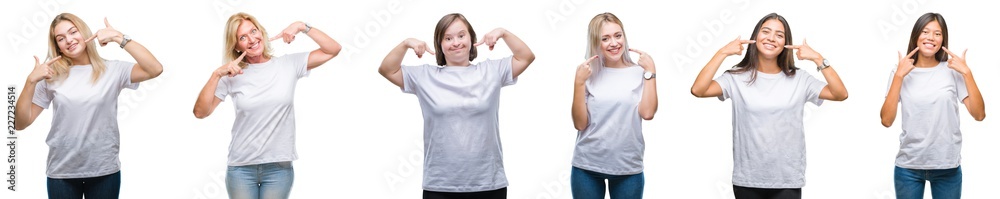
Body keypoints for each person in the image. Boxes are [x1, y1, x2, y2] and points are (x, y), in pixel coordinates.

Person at [689, 13, 848, 199]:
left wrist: (818, 59)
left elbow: (840, 94)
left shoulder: (800, 79)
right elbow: (698, 90)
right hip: (747, 180)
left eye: (779, 35)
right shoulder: (736, 77)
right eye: (766, 31)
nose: (771, 38)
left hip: (787, 180)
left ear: (786, 44)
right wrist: (723, 52)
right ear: (755, 36)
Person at [376, 13, 535, 199]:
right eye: (448, 38)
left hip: (488, 184)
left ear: (472, 39)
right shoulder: (425, 76)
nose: (456, 42)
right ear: (440, 45)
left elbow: (526, 57)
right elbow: (387, 70)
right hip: (439, 186)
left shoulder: (491, 71)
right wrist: (405, 44)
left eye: (461, 35)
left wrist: (503, 33)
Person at [13, 13, 164, 198]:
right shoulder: (50, 76)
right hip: (62, 171)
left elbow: (155, 69)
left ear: (83, 32)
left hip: (104, 170)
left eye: (73, 32)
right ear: (57, 46)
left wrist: (118, 37)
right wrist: (30, 81)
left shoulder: (113, 70)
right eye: (61, 38)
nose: (69, 40)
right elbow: (20, 123)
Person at [191, 12, 342, 199]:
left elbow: (333, 49)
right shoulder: (231, 74)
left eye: (253, 31)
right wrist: (216, 75)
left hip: (279, 168)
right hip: (241, 168)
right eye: (242, 37)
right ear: (236, 46)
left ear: (261, 32)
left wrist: (302, 27)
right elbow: (200, 112)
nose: (252, 39)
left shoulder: (288, 64)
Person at [879, 12, 985, 199]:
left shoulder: (952, 71)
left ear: (943, 39)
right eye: (925, 31)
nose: (931, 37)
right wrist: (899, 76)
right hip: (909, 167)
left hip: (947, 166)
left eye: (937, 33)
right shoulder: (900, 72)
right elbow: (886, 120)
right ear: (916, 36)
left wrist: (967, 73)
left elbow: (979, 115)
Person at [569, 12, 658, 199]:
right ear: (595, 42)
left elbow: (648, 113)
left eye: (618, 35)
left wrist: (650, 72)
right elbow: (580, 124)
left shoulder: (639, 72)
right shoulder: (586, 74)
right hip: (587, 166)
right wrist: (578, 83)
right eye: (605, 38)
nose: (614, 43)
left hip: (628, 167)